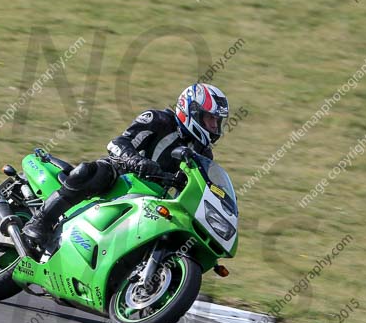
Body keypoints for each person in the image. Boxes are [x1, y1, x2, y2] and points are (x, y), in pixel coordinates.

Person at [21, 83, 229, 247]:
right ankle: (41, 221)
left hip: (153, 198)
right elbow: (118, 143)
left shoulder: (203, 153)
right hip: (121, 175)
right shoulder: (158, 120)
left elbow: (202, 186)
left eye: (217, 121)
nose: (214, 126)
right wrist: (136, 161)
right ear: (192, 111)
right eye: (210, 118)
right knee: (93, 172)